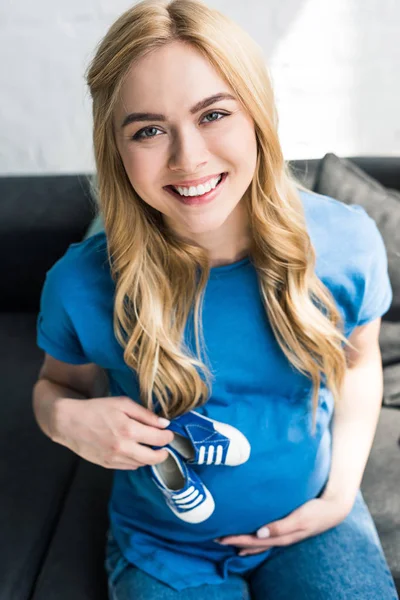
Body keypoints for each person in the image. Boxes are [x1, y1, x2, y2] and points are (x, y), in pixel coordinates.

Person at [32, 0, 399, 598]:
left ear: (256, 114)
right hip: (164, 548)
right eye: (149, 130)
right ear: (117, 151)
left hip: (312, 525)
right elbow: (57, 388)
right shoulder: (81, 285)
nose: (188, 157)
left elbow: (359, 365)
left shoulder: (343, 242)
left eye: (214, 115)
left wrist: (338, 497)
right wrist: (61, 418)